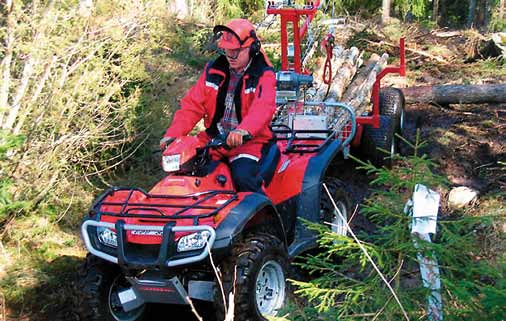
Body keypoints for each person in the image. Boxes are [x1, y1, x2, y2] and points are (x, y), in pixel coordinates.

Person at [160, 18, 277, 192]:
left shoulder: (263, 75)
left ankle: (264, 217)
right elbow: (192, 106)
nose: (231, 56)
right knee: (184, 172)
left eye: (236, 51)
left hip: (249, 143)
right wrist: (173, 135)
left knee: (243, 179)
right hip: (214, 140)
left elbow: (263, 107)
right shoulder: (214, 71)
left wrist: (243, 130)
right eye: (227, 51)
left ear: (252, 48)